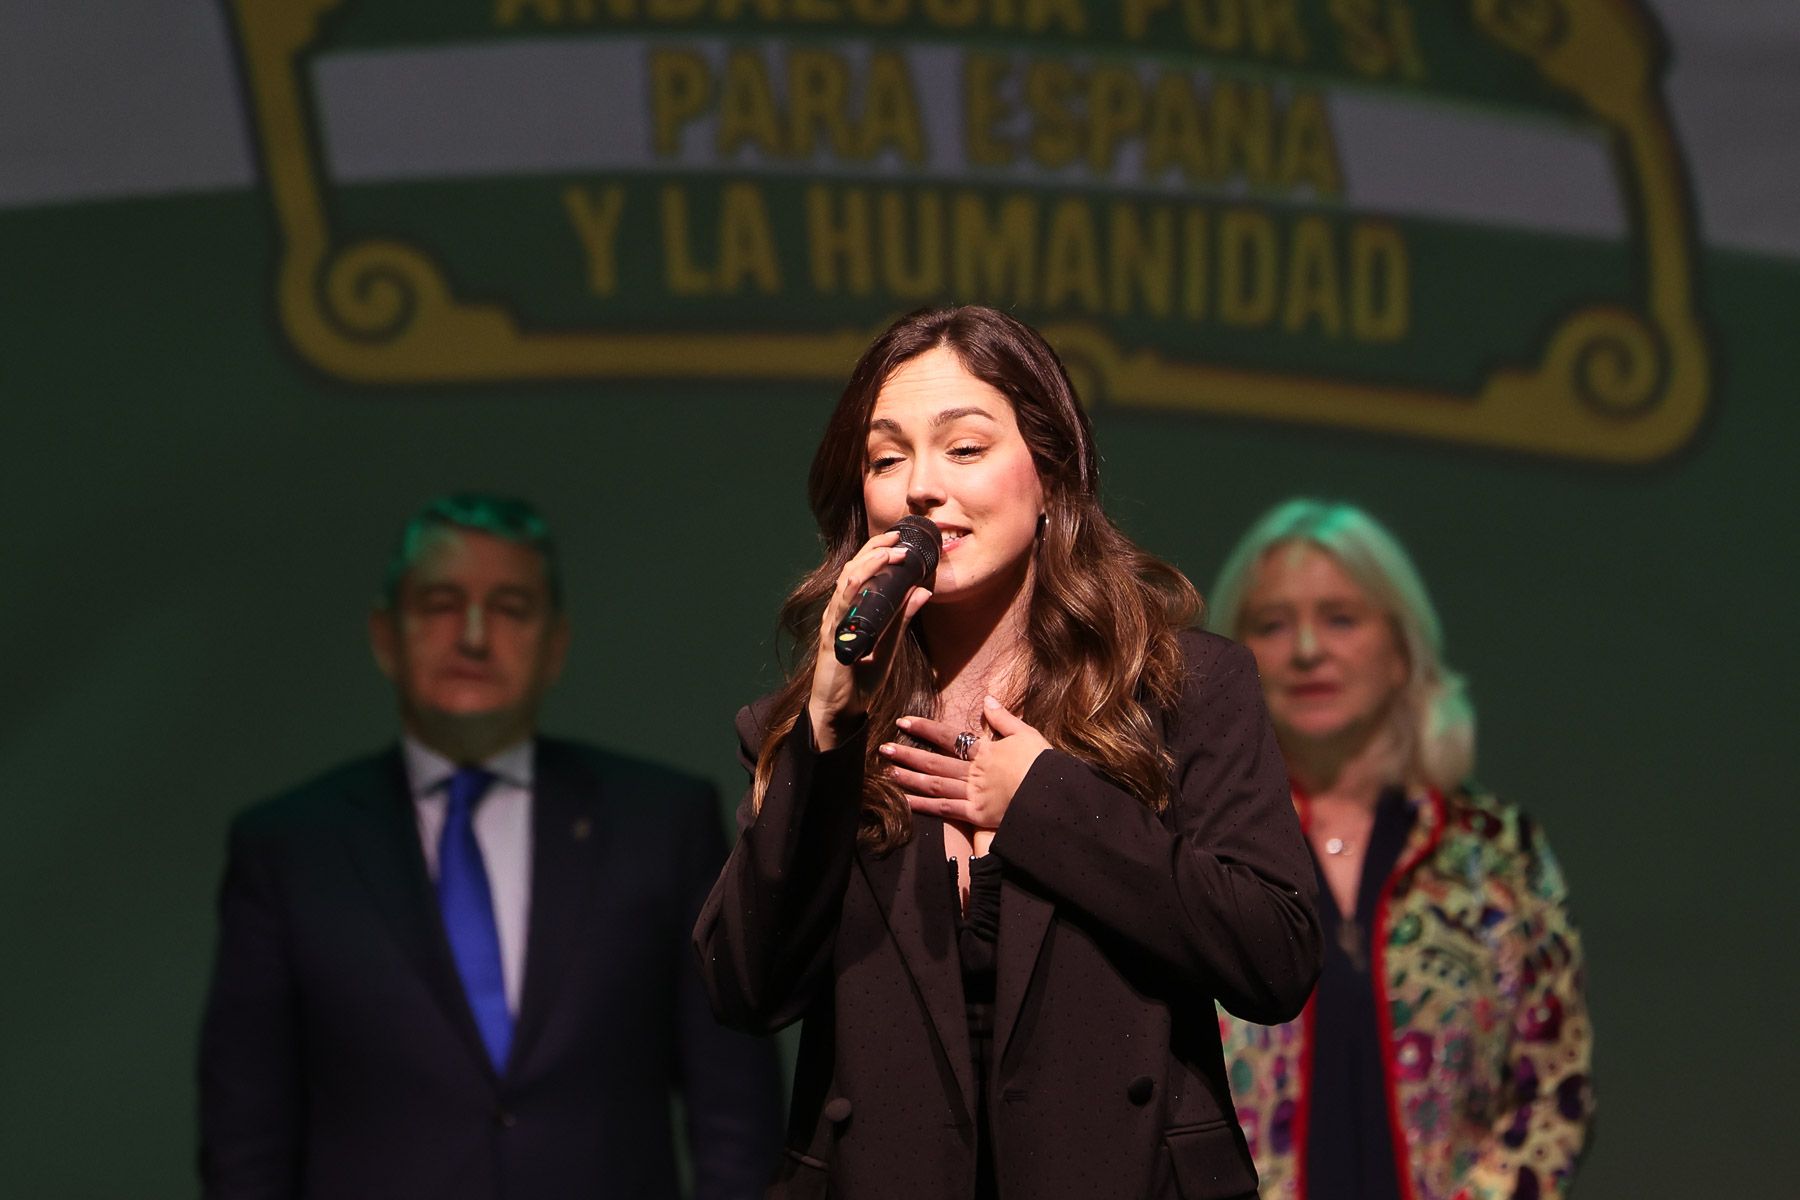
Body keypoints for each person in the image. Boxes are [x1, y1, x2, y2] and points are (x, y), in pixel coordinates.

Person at [693, 306, 1321, 1199]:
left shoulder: (1181, 689)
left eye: (964, 448)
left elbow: (1276, 957)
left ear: (1051, 475)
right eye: (886, 458)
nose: (920, 487)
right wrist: (827, 734)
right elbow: (745, 989)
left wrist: (1050, 806)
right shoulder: (820, 732)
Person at [198, 493, 782, 1200]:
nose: (474, 635)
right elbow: (245, 1142)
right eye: (442, 603)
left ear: (554, 645)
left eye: (509, 607)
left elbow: (736, 1119)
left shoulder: (660, 823)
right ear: (386, 635)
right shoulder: (289, 847)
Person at [1206, 500, 1593, 1200]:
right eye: (1271, 624)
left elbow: (1551, 1092)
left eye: (1340, 618)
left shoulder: (1498, 856)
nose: (1306, 650)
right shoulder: (1197, 852)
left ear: (1401, 650)